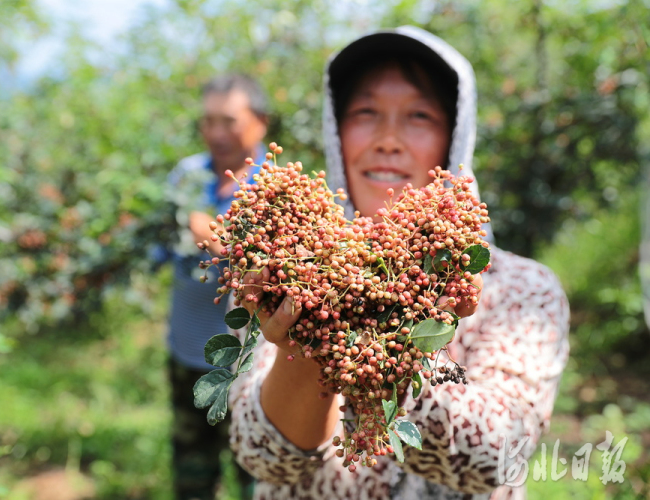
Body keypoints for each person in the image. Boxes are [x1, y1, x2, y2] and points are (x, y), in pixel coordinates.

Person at [227, 27, 570, 499]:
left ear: (455, 137)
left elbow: (500, 454)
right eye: (366, 112)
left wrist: (394, 346)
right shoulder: (283, 272)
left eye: (419, 116)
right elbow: (263, 458)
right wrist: (312, 332)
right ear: (336, 130)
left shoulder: (523, 288)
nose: (388, 139)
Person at [164, 73, 267, 500]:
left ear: (260, 122)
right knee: (192, 472)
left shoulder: (275, 184)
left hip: (252, 364)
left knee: (257, 473)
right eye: (209, 121)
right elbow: (164, 242)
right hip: (187, 351)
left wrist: (219, 239)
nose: (217, 132)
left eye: (229, 120)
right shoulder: (187, 176)